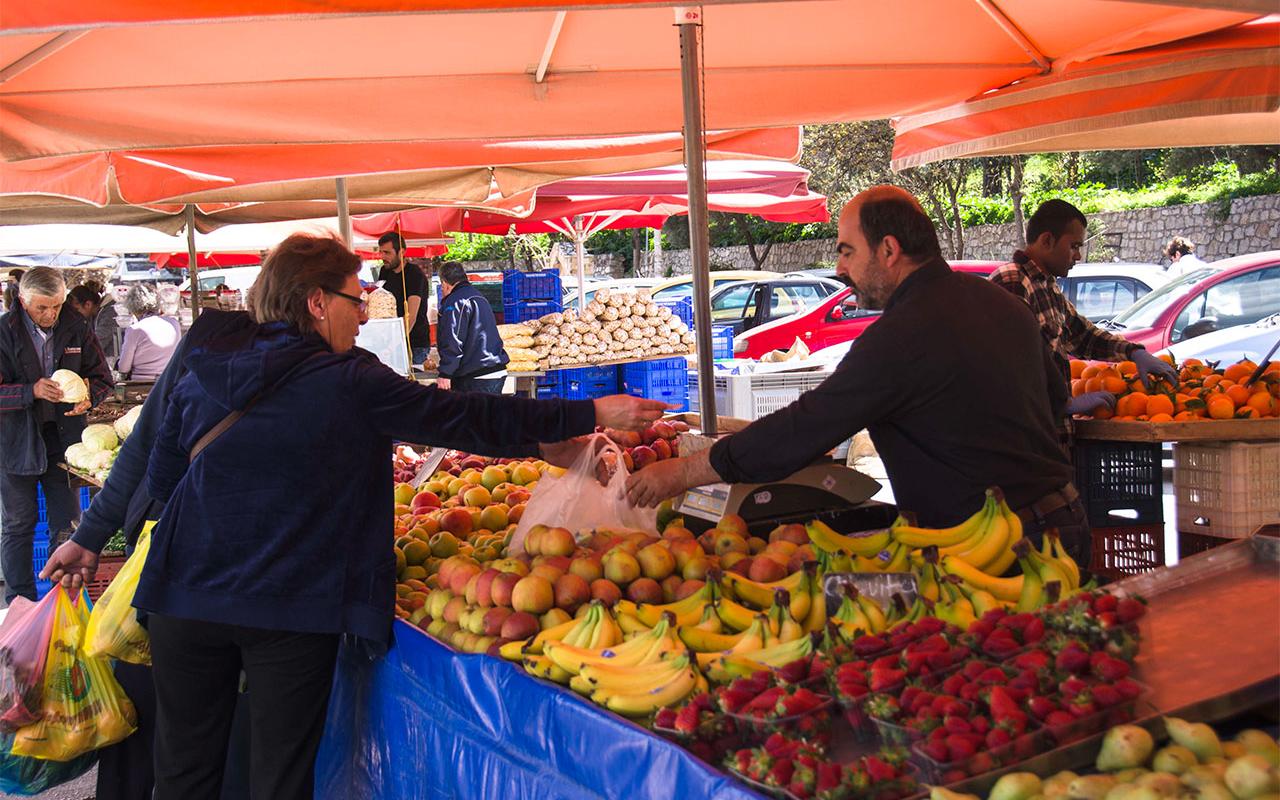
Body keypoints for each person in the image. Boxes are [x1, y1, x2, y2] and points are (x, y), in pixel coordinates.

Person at [123, 234, 665, 799]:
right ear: (316, 302)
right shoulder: (349, 379)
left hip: (183, 597)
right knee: (279, 778)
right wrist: (588, 409)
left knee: (183, 775)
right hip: (287, 604)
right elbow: (460, 415)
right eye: (356, 300)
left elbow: (161, 482)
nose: (363, 315)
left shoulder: (206, 364)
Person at [626, 186, 1091, 564]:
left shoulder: (903, 335)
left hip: (998, 547)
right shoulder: (1002, 302)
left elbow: (805, 428)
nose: (839, 268)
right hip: (1062, 521)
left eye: (847, 251)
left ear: (889, 250)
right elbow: (1055, 399)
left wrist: (685, 471)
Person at [42, 305, 261, 800]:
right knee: (176, 720)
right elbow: (147, 449)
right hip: (184, 562)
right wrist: (90, 535)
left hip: (184, 561)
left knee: (179, 727)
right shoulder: (224, 337)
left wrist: (90, 535)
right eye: (352, 300)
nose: (358, 314)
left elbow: (144, 450)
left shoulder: (229, 339)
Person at [989, 200, 1178, 418]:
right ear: (1047, 240)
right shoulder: (1013, 281)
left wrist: (1134, 353)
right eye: (1074, 246)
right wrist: (1060, 404)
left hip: (1052, 434)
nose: (1078, 256)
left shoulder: (1047, 284)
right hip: (1028, 434)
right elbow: (1011, 363)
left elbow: (1084, 337)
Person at [0, 267, 114, 602]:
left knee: (66, 524)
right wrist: (29, 391)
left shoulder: (76, 326)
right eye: (41, 308)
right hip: (16, 441)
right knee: (19, 524)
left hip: (64, 443)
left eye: (56, 306)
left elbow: (102, 378)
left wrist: (90, 396)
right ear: (23, 301)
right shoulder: (4, 331)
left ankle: (62, 603)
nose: (50, 314)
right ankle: (19, 602)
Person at [436, 260, 509, 393]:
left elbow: (453, 338)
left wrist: (446, 373)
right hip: (495, 370)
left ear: (445, 284)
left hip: (476, 375)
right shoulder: (478, 296)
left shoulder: (455, 302)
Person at [376, 231, 431, 365]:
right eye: (381, 252)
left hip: (414, 344)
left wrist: (391, 347)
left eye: (387, 253)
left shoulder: (414, 275)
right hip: (390, 343)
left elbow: (410, 317)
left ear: (401, 252)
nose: (382, 256)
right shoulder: (384, 271)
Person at [117, 282, 181, 381]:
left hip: (141, 384)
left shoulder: (135, 329)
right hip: (168, 381)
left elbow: (124, 368)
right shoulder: (174, 323)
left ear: (133, 308)